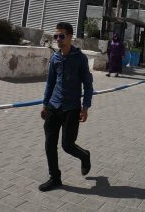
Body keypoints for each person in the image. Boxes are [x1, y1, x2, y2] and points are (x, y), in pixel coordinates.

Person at [39, 22, 93, 191]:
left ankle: (84, 156)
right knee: (49, 143)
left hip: (71, 108)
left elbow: (88, 84)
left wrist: (85, 107)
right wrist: (45, 104)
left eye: (61, 36)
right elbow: (50, 83)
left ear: (70, 37)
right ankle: (55, 178)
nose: (58, 40)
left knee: (67, 145)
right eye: (56, 36)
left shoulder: (80, 58)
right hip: (54, 106)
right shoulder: (55, 58)